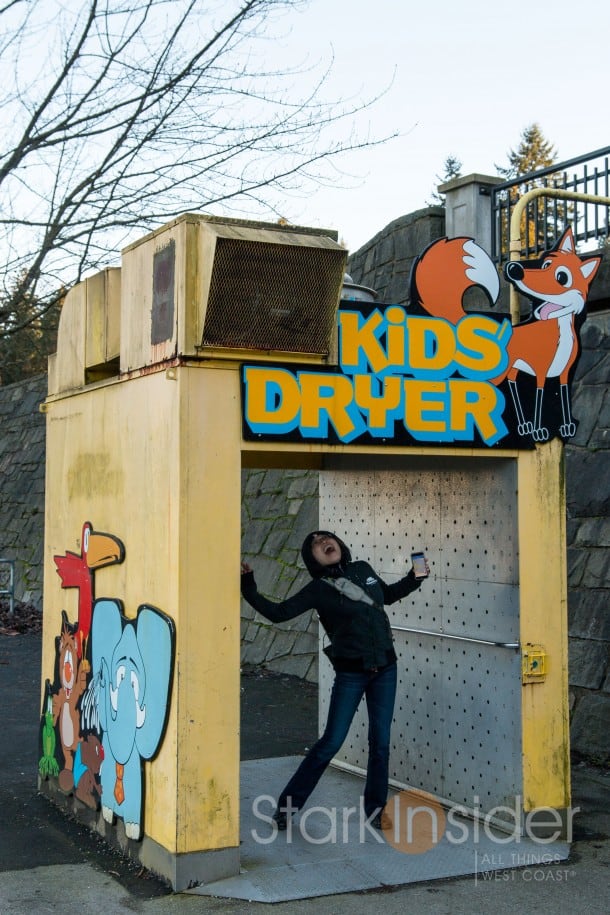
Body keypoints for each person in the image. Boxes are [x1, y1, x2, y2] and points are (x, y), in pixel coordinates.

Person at [240, 530, 429, 831]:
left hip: (385, 668)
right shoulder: (318, 589)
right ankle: (286, 808)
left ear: (339, 544)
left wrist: (415, 577)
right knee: (331, 742)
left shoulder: (363, 569)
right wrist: (248, 587)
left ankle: (376, 811)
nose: (323, 542)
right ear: (312, 557)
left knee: (380, 743)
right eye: (315, 543)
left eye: (327, 538)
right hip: (351, 673)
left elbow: (388, 596)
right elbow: (278, 613)